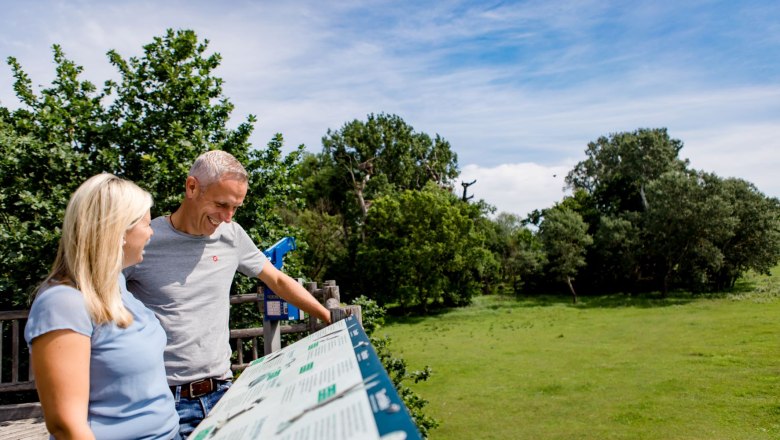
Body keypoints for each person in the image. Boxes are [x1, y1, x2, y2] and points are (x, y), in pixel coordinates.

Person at [124, 150, 332, 436]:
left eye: (236, 207)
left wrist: (324, 315)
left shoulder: (232, 235)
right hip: (163, 398)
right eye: (222, 204)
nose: (227, 217)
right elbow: (100, 299)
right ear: (192, 187)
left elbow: (278, 280)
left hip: (222, 393)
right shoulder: (145, 240)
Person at [24, 173, 180, 440]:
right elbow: (66, 425)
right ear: (118, 231)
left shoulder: (117, 285)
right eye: (145, 223)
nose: (152, 231)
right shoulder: (63, 302)